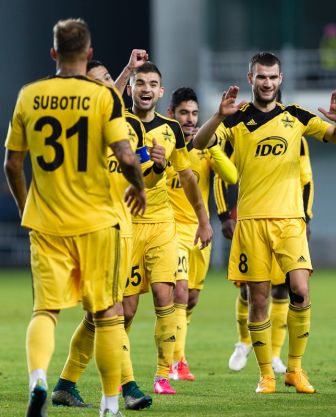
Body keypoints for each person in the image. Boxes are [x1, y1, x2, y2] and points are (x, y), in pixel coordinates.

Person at [3, 18, 146, 417]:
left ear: (53, 53)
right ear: (88, 53)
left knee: (45, 311)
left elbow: (12, 163)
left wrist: (25, 206)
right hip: (97, 221)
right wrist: (138, 185)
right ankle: (110, 404)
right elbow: (125, 155)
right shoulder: (103, 97)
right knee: (107, 313)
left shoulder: (30, 95)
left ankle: (38, 380)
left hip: (46, 222)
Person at [194, 51, 336, 394]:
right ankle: (266, 375)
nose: (267, 83)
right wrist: (217, 116)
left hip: (291, 220)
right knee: (259, 300)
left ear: (281, 79)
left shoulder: (296, 116)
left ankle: (295, 369)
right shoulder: (235, 120)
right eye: (261, 77)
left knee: (300, 290)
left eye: (273, 77)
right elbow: (198, 142)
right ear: (251, 79)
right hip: (251, 221)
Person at [50, 58, 152, 411]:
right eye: (99, 81)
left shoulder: (129, 125)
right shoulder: (78, 127)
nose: (109, 84)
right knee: (111, 312)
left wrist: (154, 163)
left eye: (110, 78)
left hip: (124, 229)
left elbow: (139, 169)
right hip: (94, 230)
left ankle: (66, 384)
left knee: (105, 315)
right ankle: (128, 388)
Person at [124, 61, 213, 395]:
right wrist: (150, 160)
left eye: (152, 84)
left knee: (167, 297)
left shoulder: (171, 129)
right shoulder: (118, 123)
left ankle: (162, 375)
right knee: (127, 310)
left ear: (160, 91)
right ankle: (121, 373)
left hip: (162, 224)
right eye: (140, 82)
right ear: (130, 88)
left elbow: (188, 176)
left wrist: (204, 220)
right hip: (127, 224)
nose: (146, 89)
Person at [218, 133, 315, 375]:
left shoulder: (297, 136)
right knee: (251, 292)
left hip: (286, 221)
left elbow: (306, 180)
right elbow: (222, 175)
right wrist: (224, 214)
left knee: (285, 290)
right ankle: (244, 342)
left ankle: (275, 356)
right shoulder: (241, 131)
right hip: (253, 221)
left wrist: (307, 217)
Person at [165, 87, 237, 381]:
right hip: (169, 231)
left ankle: (176, 352)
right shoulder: (163, 143)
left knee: (191, 298)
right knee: (180, 293)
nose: (190, 119)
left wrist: (213, 148)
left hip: (198, 231)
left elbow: (231, 176)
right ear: (171, 114)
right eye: (183, 113)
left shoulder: (205, 147)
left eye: (194, 113)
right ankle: (177, 362)